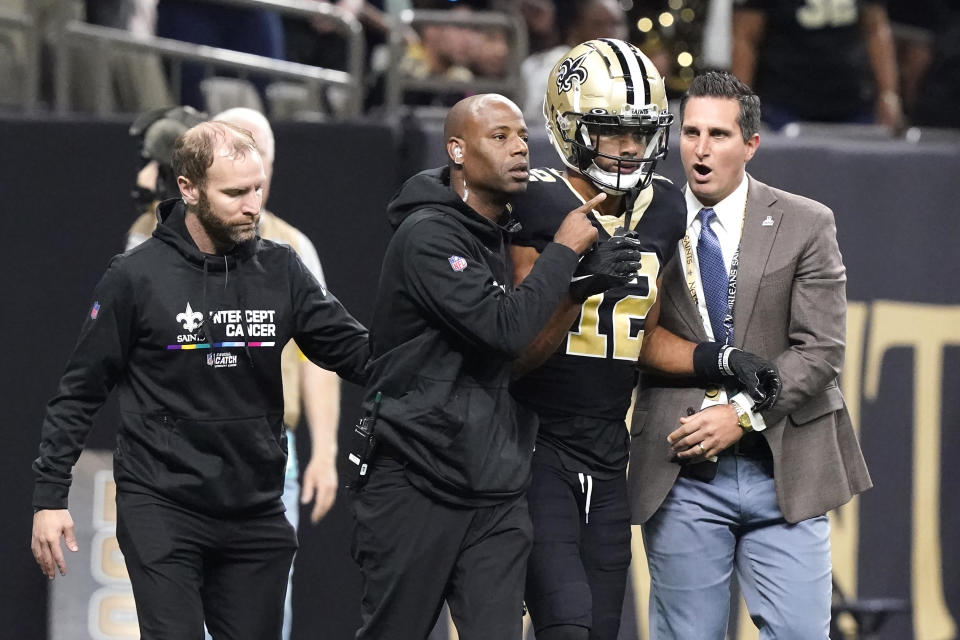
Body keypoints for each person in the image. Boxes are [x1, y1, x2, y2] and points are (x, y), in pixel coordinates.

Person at [30, 121, 369, 640]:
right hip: (163, 506)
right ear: (187, 188)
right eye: (234, 193)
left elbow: (359, 355)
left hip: (255, 507)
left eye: (257, 188)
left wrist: (437, 353)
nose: (253, 205)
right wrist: (49, 498)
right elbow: (79, 392)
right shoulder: (135, 277)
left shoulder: (282, 269)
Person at [350, 93, 640, 640]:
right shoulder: (429, 236)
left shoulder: (502, 234)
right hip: (416, 478)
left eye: (523, 137)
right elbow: (502, 331)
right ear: (457, 150)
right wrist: (566, 254)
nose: (519, 149)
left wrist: (577, 283)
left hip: (494, 487)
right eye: (499, 137)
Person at [628, 71, 873, 639]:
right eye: (690, 132)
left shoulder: (806, 223)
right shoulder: (644, 220)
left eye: (718, 134)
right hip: (682, 469)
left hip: (784, 466)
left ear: (751, 144)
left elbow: (822, 350)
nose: (701, 149)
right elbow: (631, 336)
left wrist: (740, 416)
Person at [125, 106, 342, 640]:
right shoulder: (148, 244)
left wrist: (328, 450)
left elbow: (325, 351)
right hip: (177, 452)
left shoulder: (290, 251)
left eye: (256, 156)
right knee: (171, 615)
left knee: (265, 615)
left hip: (264, 451)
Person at [507, 38, 683, 640]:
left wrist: (722, 361)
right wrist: (578, 283)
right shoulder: (534, 201)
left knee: (599, 630)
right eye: (611, 130)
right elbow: (516, 350)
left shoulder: (662, 210)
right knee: (568, 626)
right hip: (537, 448)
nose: (630, 146)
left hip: (610, 455)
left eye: (640, 130)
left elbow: (645, 334)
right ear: (570, 126)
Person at [732, 0, 903, 132]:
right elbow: (746, 37)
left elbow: (876, 28)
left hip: (853, 101)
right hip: (784, 103)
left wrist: (888, 93)